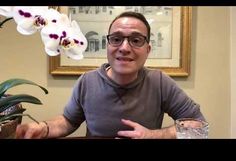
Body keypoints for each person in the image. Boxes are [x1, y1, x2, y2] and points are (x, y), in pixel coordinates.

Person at [16, 11, 206, 139]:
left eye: (136, 40)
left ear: (148, 50)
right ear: (108, 46)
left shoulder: (160, 82)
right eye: (116, 39)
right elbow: (68, 121)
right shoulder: (87, 81)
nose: (124, 48)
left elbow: (200, 128)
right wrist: (44, 127)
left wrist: (152, 135)